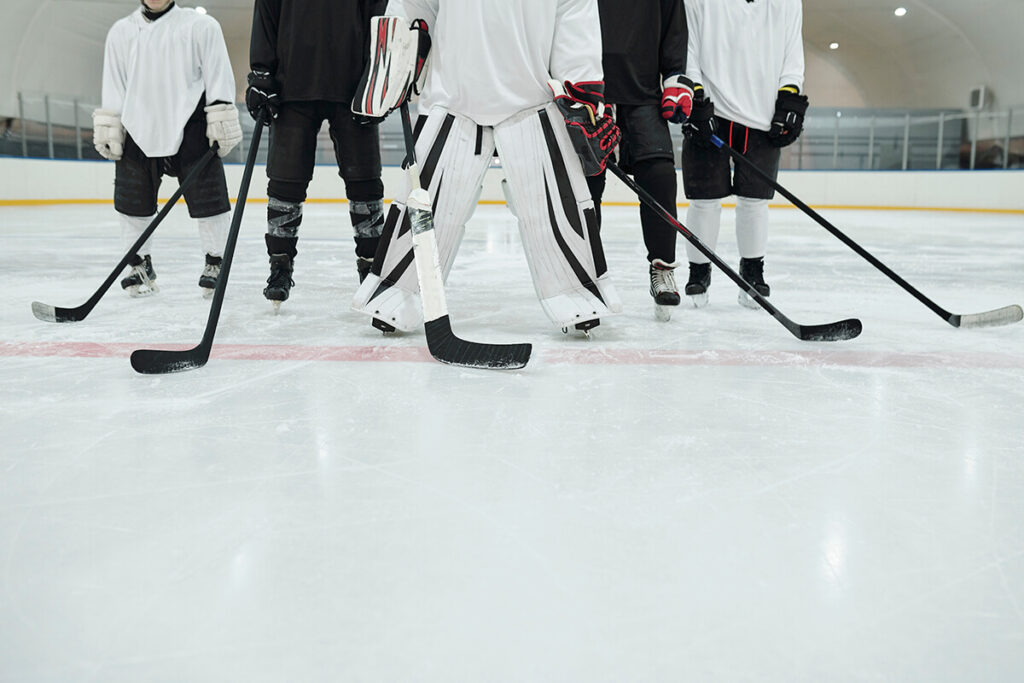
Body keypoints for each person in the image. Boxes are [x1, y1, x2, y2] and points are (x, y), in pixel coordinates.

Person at [352, 0, 622, 336]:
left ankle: (578, 295)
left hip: (530, 100)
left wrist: (582, 99)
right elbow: (412, 8)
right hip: (453, 98)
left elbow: (574, 15)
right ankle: (398, 293)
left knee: (552, 205)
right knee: (431, 203)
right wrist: (391, 68)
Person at [246, 0, 388, 311]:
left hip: (355, 88)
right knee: (286, 181)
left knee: (365, 181)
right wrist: (261, 72)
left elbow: (380, 16)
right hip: (291, 87)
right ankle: (280, 266)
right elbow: (266, 14)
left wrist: (378, 79)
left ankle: (372, 269)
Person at [95, 0, 241, 298]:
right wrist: (111, 125)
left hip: (191, 123)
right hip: (136, 126)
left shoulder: (200, 26)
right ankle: (138, 264)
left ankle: (215, 261)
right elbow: (114, 83)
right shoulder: (121, 31)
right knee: (132, 203)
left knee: (209, 201)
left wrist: (220, 115)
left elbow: (218, 74)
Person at [681, 0, 808, 308]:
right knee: (704, 200)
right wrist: (695, 96)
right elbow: (689, 49)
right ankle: (699, 272)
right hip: (711, 111)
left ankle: (751, 273)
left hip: (764, 116)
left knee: (755, 201)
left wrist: (789, 95)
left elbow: (792, 53)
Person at [587, 0, 691, 321]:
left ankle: (662, 267)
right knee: (585, 185)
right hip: (589, 92)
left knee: (660, 175)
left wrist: (675, 79)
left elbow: (674, 30)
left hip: (643, 93)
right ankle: (584, 275)